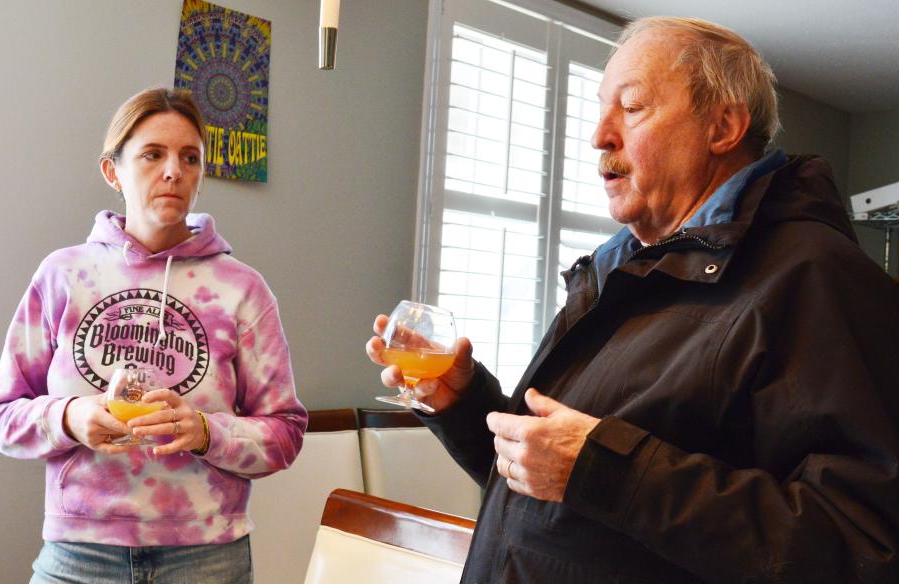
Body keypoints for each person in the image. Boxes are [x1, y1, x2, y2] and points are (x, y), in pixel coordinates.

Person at [367, 16, 899, 583]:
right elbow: (546, 500)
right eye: (601, 109)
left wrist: (608, 471)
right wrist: (464, 402)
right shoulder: (617, 270)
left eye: (633, 106)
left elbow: (863, 546)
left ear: (722, 127)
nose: (600, 136)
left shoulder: (816, 277)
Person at [0, 87, 307, 583]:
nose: (173, 170)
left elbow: (285, 433)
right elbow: (2, 417)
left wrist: (204, 432)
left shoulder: (242, 289)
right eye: (153, 154)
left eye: (189, 158)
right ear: (113, 170)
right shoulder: (62, 275)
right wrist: (69, 417)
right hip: (79, 552)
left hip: (207, 558)